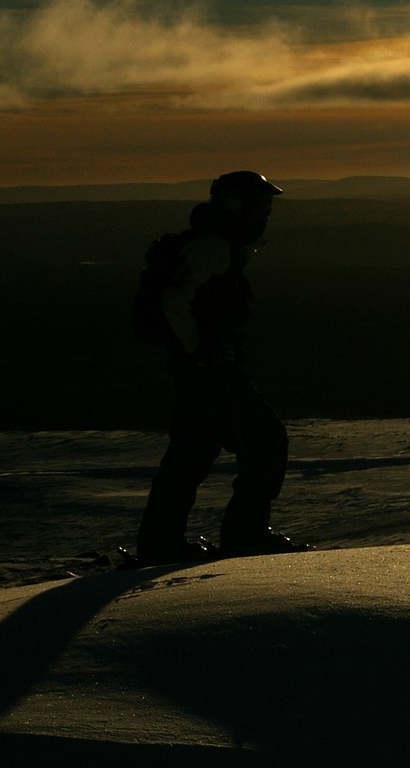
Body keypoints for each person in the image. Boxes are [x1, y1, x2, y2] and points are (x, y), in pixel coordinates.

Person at [135, 170, 309, 563]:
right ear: (237, 206)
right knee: (265, 441)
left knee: (191, 453)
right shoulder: (214, 247)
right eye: (261, 204)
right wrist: (199, 352)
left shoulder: (221, 243)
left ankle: (161, 543)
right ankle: (244, 536)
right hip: (210, 370)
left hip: (202, 368)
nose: (267, 212)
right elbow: (173, 300)